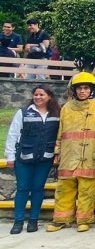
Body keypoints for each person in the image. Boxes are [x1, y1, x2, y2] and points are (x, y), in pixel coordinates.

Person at [46, 73, 95, 233]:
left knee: (87, 190)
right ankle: (61, 219)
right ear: (74, 90)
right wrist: (57, 151)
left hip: (91, 155)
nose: (82, 91)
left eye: (86, 88)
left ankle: (84, 220)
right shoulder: (66, 108)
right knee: (64, 188)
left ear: (91, 90)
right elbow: (60, 132)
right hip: (69, 154)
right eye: (79, 88)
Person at [5, 85, 61, 234]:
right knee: (22, 188)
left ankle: (33, 221)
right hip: (24, 158)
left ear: (49, 96)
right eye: (35, 95)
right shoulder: (23, 112)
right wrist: (10, 156)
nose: (38, 97)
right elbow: (13, 134)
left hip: (45, 158)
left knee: (38, 189)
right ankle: (18, 221)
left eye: (41, 95)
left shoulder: (56, 113)